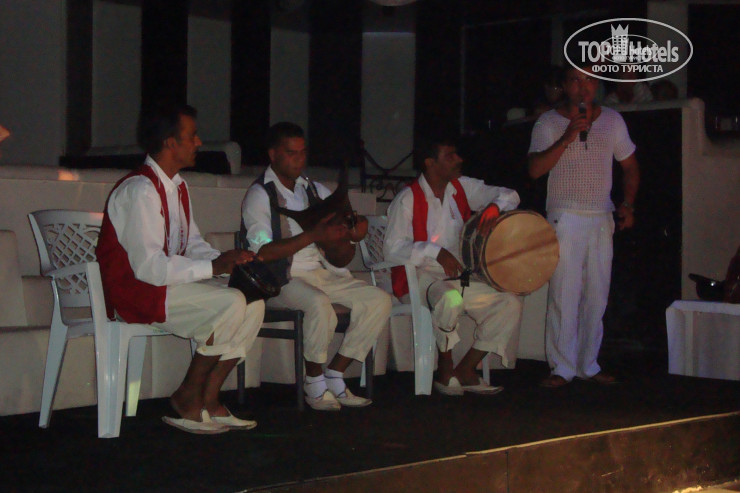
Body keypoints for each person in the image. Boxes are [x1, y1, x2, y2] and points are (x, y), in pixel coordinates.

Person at [96, 103, 265, 434]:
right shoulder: (140, 190)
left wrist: (228, 261)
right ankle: (188, 395)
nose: (199, 142)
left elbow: (192, 244)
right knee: (232, 302)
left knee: (253, 300)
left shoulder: (178, 187)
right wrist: (212, 266)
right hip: (136, 292)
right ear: (170, 143)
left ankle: (209, 398)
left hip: (164, 286)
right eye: (192, 136)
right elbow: (149, 268)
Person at [241, 122, 391, 411]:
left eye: (302, 153)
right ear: (273, 155)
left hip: (322, 273)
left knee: (379, 300)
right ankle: (314, 383)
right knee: (319, 303)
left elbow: (340, 254)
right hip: (282, 278)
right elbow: (262, 253)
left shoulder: (314, 189)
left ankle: (335, 374)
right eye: (291, 153)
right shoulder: (260, 195)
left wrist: (352, 234)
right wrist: (312, 235)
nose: (299, 160)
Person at [384, 135, 524, 396]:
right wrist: (435, 252)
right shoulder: (407, 198)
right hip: (421, 277)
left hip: (460, 277)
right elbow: (392, 249)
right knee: (450, 299)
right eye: (450, 156)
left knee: (509, 303)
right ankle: (445, 369)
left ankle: (466, 369)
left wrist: (495, 207)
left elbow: (510, 194)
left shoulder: (460, 187)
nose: (459, 159)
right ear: (430, 163)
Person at [527, 65, 640, 388]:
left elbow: (630, 166)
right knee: (565, 292)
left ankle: (588, 363)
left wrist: (628, 204)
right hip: (565, 215)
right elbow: (534, 169)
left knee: (597, 294)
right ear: (565, 85)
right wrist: (567, 137)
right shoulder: (548, 122)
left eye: (590, 79)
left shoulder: (612, 120)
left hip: (601, 216)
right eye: (575, 79)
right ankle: (562, 367)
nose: (583, 86)